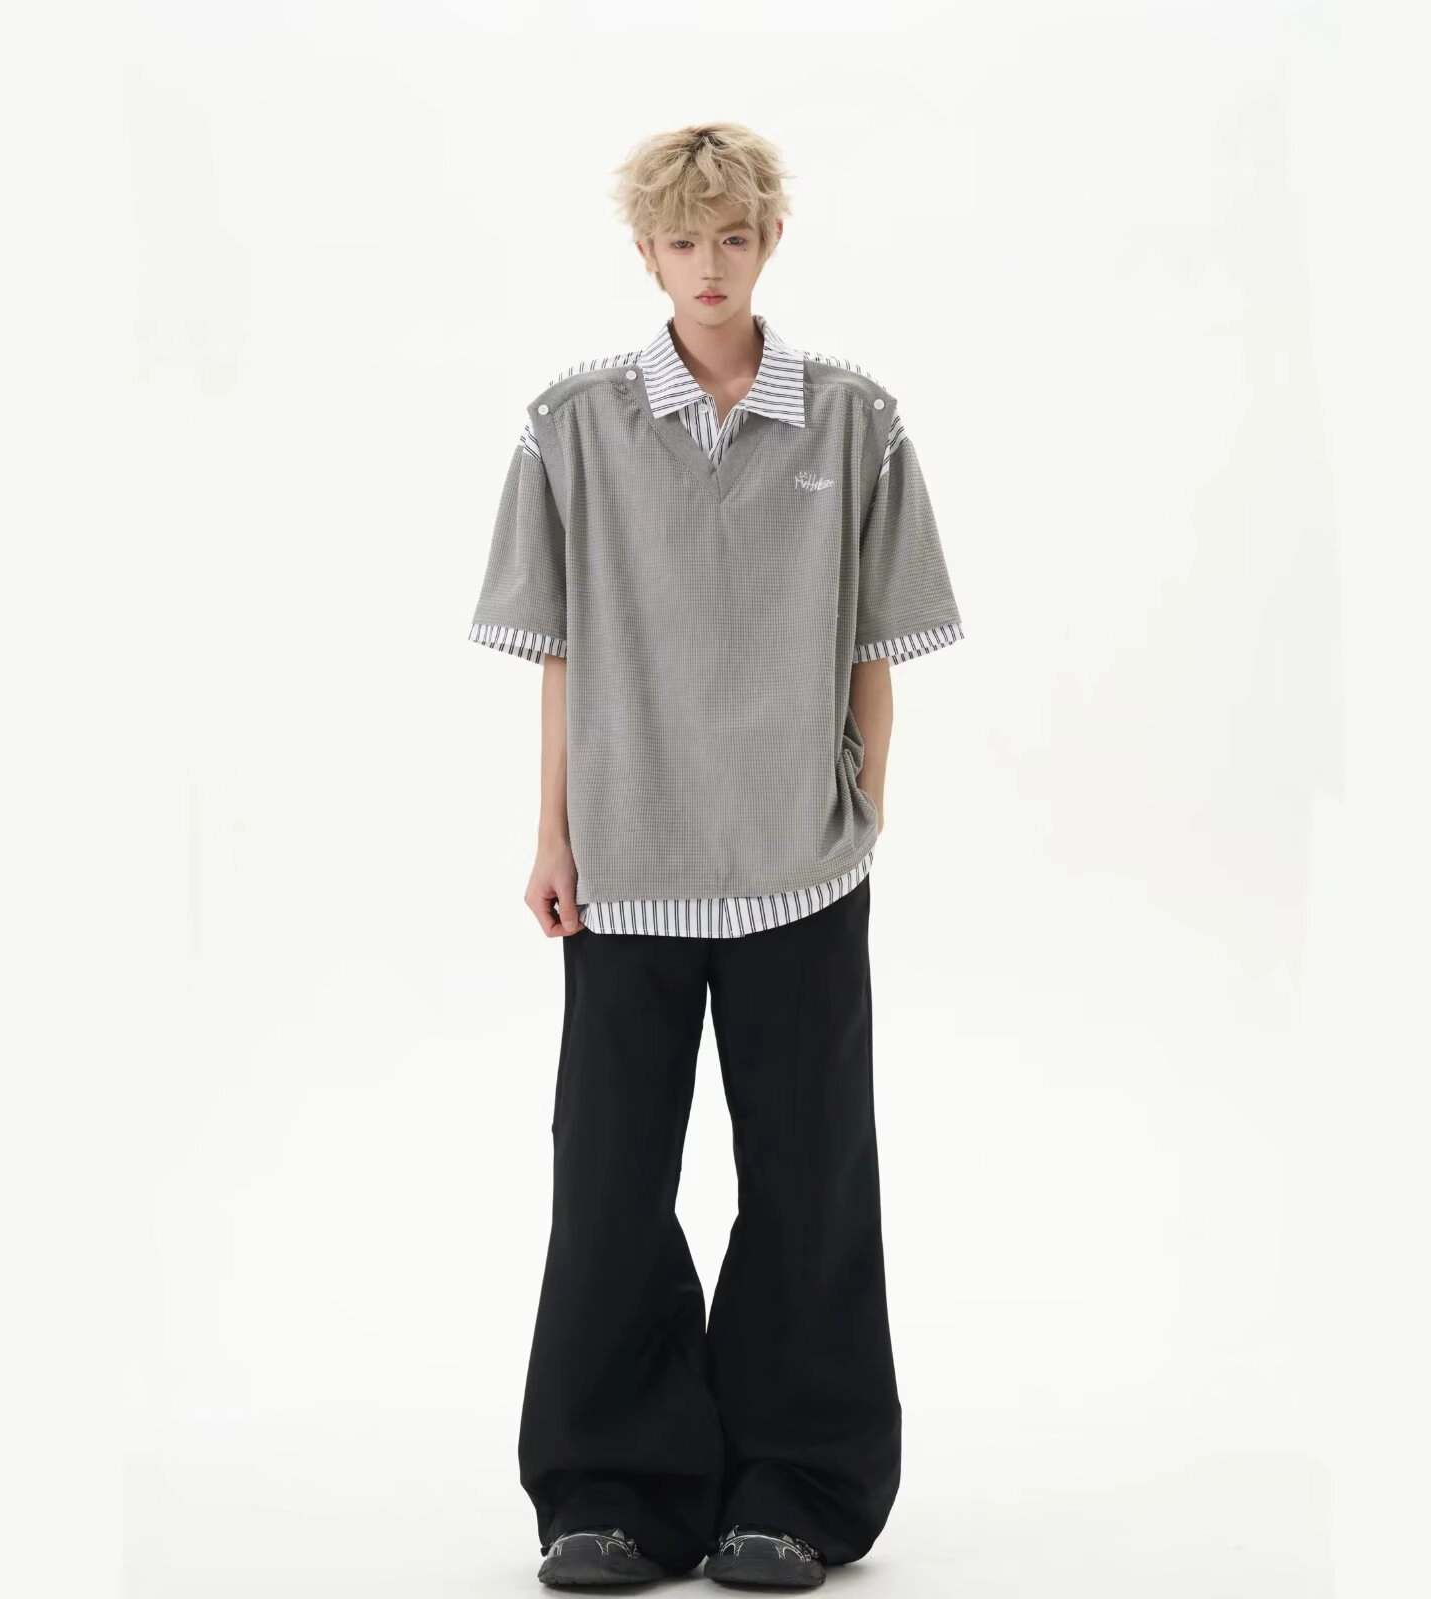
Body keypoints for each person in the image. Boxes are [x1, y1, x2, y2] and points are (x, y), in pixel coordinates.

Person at [468, 121, 966, 1590]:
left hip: (798, 862)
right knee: (609, 1180)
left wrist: (859, 803)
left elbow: (879, 640)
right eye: (682, 241)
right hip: (625, 857)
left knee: (808, 1177)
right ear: (645, 253)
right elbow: (556, 648)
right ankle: (613, 1489)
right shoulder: (572, 422)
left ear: (769, 243)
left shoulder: (856, 421)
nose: (708, 265)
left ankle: (797, 1485)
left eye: (731, 238)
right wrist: (552, 831)